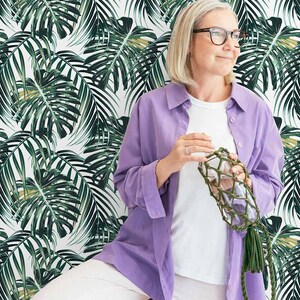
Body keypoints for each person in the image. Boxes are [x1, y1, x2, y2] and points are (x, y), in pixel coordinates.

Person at [32, 0, 284, 299]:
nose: (231, 45)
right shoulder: (152, 106)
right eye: (218, 34)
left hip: (221, 277)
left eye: (235, 35)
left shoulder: (255, 111)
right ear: (188, 41)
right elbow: (126, 187)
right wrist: (167, 164)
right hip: (146, 263)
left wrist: (242, 185)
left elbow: (270, 191)